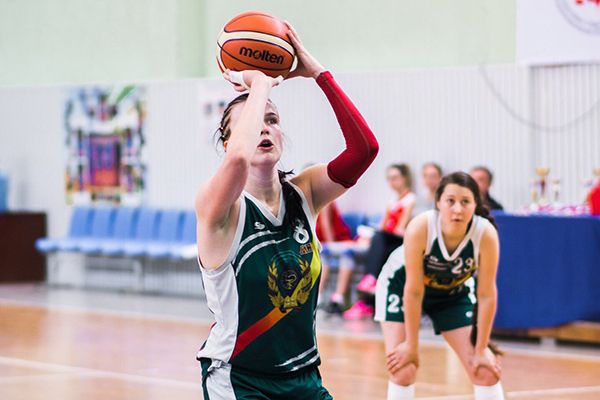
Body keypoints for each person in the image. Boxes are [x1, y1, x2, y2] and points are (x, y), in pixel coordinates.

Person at [195, 21, 379, 399]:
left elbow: (365, 150)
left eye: (273, 120)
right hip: (240, 379)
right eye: (254, 123)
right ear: (227, 142)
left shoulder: (305, 192)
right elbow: (238, 160)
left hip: (303, 377)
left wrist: (318, 74)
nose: (265, 129)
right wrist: (260, 85)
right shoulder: (220, 207)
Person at [375, 172, 504, 400]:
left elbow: (486, 295)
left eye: (465, 202)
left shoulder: (485, 234)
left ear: (476, 204)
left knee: (485, 371)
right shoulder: (421, 227)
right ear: (438, 202)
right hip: (401, 287)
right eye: (450, 201)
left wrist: (482, 348)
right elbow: (414, 292)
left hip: (452, 294)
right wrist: (411, 346)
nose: (457, 209)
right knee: (404, 369)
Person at [343, 164, 416, 320]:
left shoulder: (410, 199)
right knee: (378, 244)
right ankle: (368, 300)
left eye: (395, 178)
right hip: (387, 240)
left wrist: (380, 233)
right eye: (389, 179)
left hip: (400, 240)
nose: (392, 182)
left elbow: (400, 228)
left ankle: (368, 288)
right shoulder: (392, 200)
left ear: (404, 178)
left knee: (379, 240)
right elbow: (383, 225)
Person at [316, 200, 356, 315]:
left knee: (327, 253)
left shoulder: (325, 202)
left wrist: (331, 245)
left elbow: (326, 224)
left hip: (335, 241)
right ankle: (320, 296)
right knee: (324, 254)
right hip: (325, 242)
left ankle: (333, 298)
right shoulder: (320, 201)